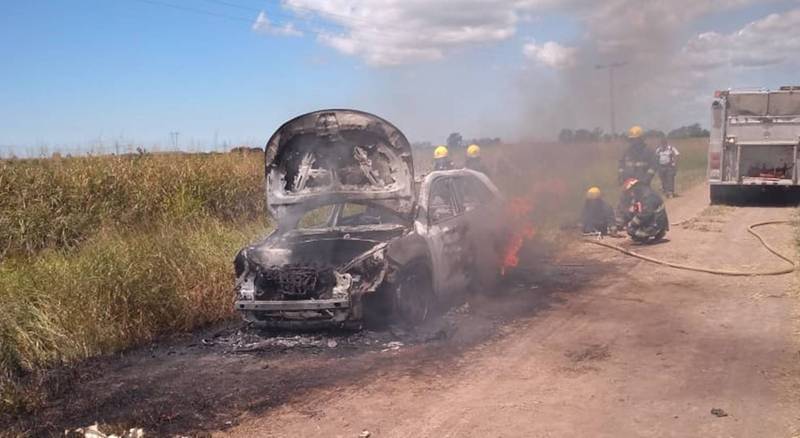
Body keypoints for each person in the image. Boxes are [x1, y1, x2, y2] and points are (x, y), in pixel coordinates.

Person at [617, 126, 658, 224]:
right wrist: (620, 176)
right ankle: (622, 220)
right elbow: (621, 165)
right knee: (624, 199)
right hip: (628, 181)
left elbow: (653, 166)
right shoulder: (627, 152)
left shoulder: (648, 151)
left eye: (636, 140)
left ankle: (643, 220)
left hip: (642, 181)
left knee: (644, 201)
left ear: (641, 139)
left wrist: (647, 178)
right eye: (632, 140)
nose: (633, 142)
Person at [622, 178, 669, 244]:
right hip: (658, 221)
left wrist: (632, 224)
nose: (630, 193)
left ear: (634, 188)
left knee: (631, 229)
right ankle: (655, 233)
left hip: (656, 223)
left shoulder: (647, 196)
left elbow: (646, 214)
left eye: (630, 191)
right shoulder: (643, 194)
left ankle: (647, 235)